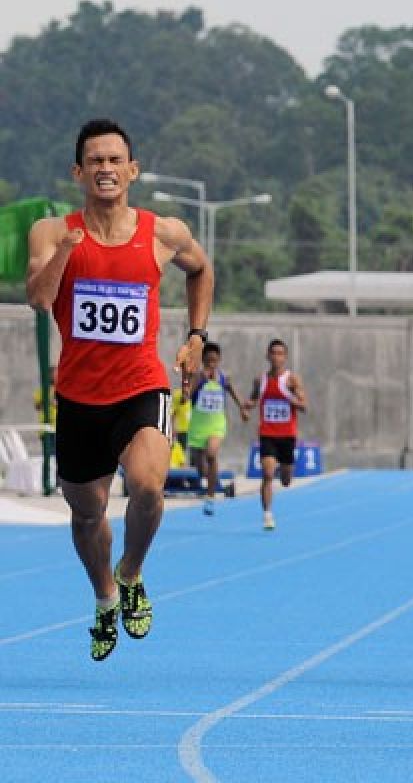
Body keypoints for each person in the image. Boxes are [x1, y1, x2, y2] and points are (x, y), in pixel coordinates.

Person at [24, 118, 213, 661]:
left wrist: (197, 336)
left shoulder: (163, 233)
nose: (105, 169)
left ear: (132, 170)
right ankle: (105, 597)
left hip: (141, 385)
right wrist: (67, 252)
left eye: (115, 160)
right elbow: (38, 297)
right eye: (95, 161)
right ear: (78, 171)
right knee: (87, 515)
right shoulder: (50, 231)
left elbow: (201, 271)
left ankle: (131, 574)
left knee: (149, 485)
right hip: (81, 397)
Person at [245, 339, 308, 531]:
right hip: (267, 433)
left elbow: (304, 406)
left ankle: (284, 468)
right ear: (267, 355)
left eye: (280, 353)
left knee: (286, 481)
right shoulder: (260, 380)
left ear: (285, 357)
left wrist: (290, 396)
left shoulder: (292, 380)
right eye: (273, 353)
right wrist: (248, 406)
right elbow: (254, 399)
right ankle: (267, 515)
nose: (276, 357)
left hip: (287, 435)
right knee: (267, 473)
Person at [186, 342, 249, 516]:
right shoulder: (198, 377)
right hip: (198, 425)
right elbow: (186, 398)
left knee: (212, 454)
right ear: (203, 360)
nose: (212, 364)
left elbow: (235, 395)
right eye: (208, 361)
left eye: (215, 361)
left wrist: (242, 409)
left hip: (216, 424)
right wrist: (197, 381)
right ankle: (213, 483)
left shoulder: (223, 378)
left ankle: (210, 496)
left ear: (219, 360)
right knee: (200, 467)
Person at [170, 383, 192, 463]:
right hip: (181, 429)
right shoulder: (177, 395)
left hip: (192, 429)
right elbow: (173, 413)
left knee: (194, 452)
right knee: (181, 451)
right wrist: (172, 428)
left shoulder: (194, 393)